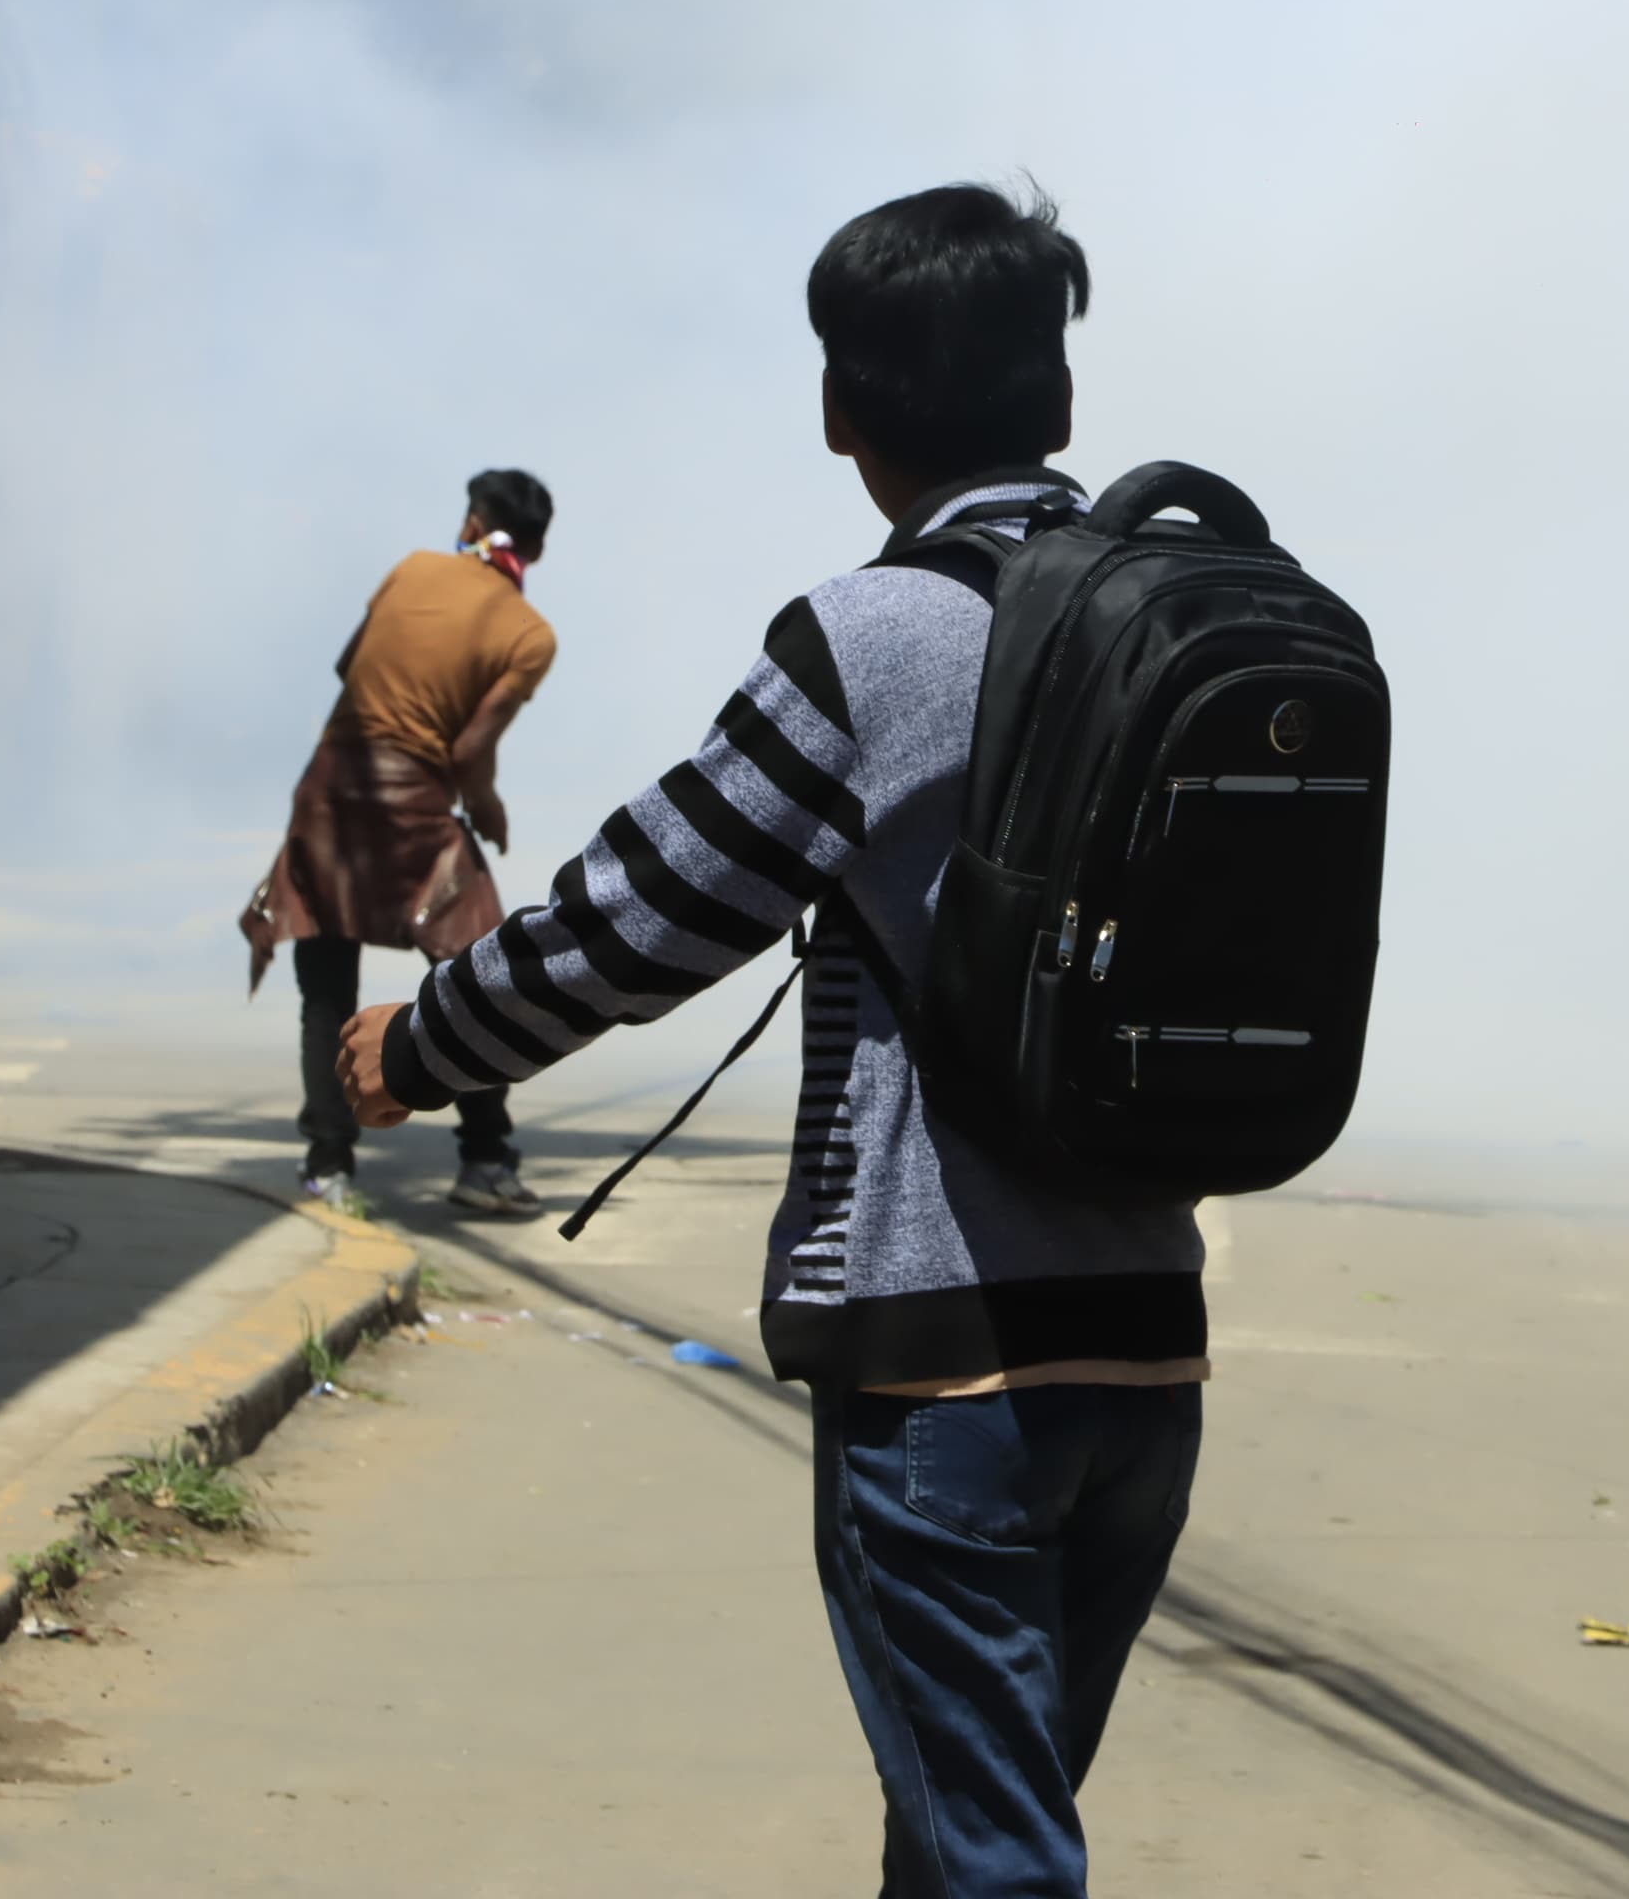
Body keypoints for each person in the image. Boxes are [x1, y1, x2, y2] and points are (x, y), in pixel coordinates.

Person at [342, 184, 1205, 1894]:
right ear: (1060, 398)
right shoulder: (1176, 608)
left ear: (842, 412)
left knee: (992, 1859)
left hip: (947, 1352)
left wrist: (423, 1046)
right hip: (1149, 1357)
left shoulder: (878, 639)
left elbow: (637, 918)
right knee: (965, 1831)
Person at [244, 470, 559, 1215]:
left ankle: (329, 1163)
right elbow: (469, 751)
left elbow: (349, 666)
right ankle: (483, 1159)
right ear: (537, 552)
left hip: (329, 785)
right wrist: (489, 811)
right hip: (414, 801)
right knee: (480, 976)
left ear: (474, 520)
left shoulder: (412, 569)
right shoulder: (529, 635)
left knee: (325, 975)